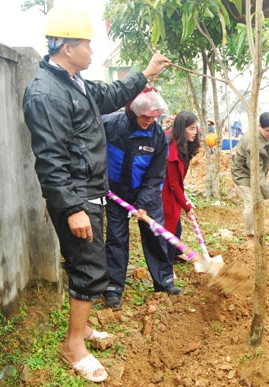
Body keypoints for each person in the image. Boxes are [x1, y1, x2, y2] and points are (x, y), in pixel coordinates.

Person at [22, 5, 170, 383]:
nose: (92, 51)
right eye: (87, 44)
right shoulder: (46, 93)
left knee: (84, 261)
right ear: (68, 47)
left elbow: (110, 94)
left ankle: (83, 329)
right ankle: (74, 346)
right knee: (90, 268)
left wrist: (146, 74)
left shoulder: (73, 82)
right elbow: (50, 160)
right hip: (77, 197)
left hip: (89, 191)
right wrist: (72, 208)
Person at [102, 87, 176, 307]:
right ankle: (113, 287)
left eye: (153, 117)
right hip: (115, 192)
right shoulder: (110, 126)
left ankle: (164, 281)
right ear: (132, 111)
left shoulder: (157, 136)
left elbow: (156, 174)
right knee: (116, 238)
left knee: (156, 234)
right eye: (145, 116)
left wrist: (143, 204)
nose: (149, 121)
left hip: (147, 191)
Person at [231, 112, 269, 246]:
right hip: (243, 173)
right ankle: (250, 237)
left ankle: (258, 231)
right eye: (267, 131)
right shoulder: (253, 145)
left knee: (260, 202)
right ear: (259, 127)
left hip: (257, 171)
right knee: (251, 204)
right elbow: (256, 173)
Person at [162, 111, 201, 265]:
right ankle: (166, 265)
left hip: (174, 190)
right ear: (181, 129)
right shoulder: (171, 152)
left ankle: (176, 253)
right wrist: (187, 206)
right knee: (170, 228)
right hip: (165, 193)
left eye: (196, 128)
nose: (195, 132)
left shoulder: (183, 145)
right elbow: (173, 184)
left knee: (176, 225)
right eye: (191, 128)